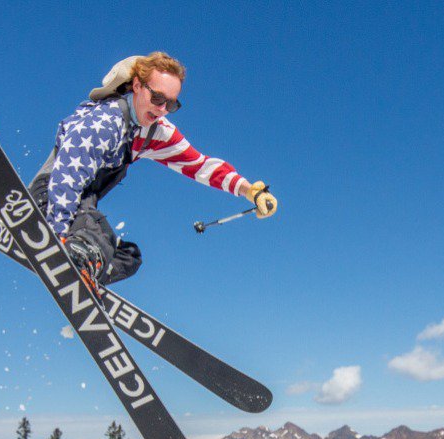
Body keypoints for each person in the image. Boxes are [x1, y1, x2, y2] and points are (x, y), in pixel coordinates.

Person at [29, 52, 277, 285]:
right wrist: (56, 234)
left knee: (128, 257)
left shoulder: (155, 132)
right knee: (97, 240)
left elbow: (200, 166)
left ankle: (87, 270)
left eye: (170, 105)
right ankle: (81, 255)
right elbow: (68, 175)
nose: (161, 110)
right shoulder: (106, 121)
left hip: (80, 207)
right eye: (157, 98)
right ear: (137, 86)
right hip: (52, 198)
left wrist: (250, 191)